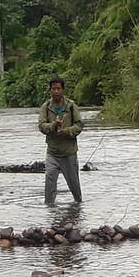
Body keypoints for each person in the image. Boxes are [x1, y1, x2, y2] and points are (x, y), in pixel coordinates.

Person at [38, 76, 83, 204]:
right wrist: (53, 125)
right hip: (52, 152)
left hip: (69, 153)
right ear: (50, 90)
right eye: (54, 89)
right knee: (49, 182)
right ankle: (50, 214)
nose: (56, 91)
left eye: (58, 88)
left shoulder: (71, 106)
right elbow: (41, 126)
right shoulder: (46, 107)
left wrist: (67, 131)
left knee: (74, 186)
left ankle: (78, 209)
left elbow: (79, 125)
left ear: (62, 90)